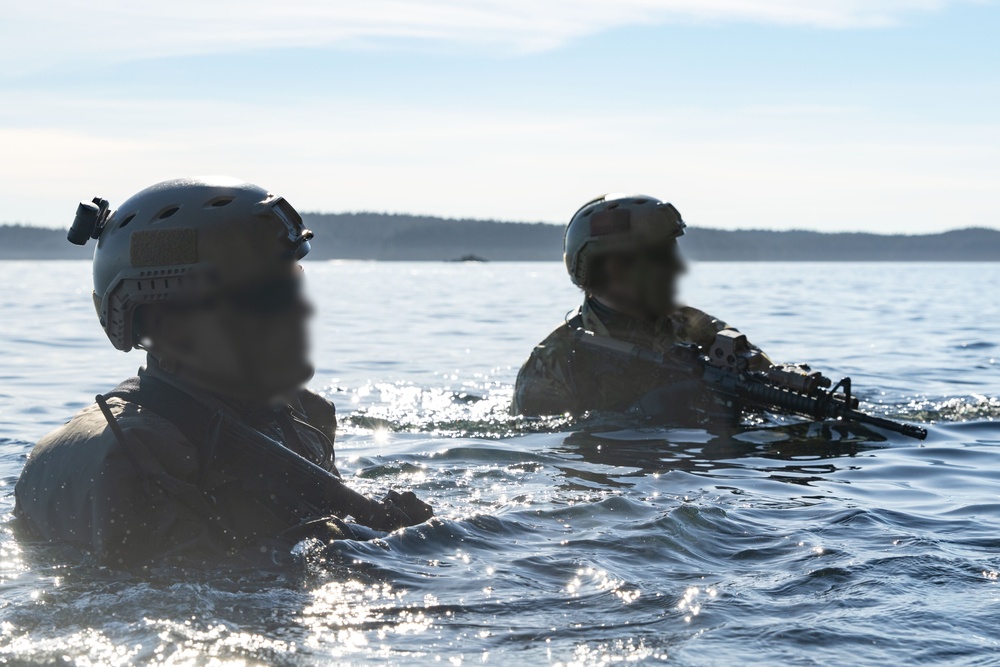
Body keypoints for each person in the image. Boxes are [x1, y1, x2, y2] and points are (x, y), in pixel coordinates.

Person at [14, 177, 431, 567]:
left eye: (294, 286)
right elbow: (178, 607)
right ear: (169, 319)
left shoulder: (298, 415)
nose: (302, 310)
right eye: (268, 296)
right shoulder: (124, 460)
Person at [512, 194, 772, 422]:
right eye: (663, 258)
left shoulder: (699, 330)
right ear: (613, 268)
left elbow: (774, 393)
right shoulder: (554, 363)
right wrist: (639, 415)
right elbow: (545, 451)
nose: (679, 269)